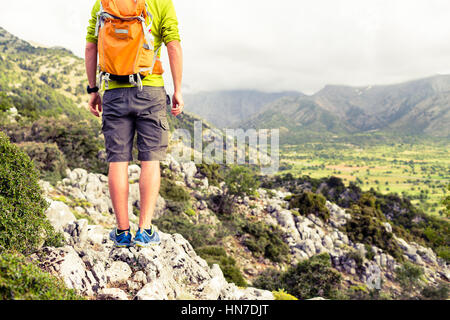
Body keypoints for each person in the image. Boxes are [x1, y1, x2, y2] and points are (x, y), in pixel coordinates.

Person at [85, 0, 184, 247]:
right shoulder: (161, 3)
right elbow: (173, 45)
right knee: (150, 160)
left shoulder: (104, 2)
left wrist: (93, 89)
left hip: (114, 92)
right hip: (150, 90)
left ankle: (121, 232)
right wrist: (178, 90)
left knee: (117, 161)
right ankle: (144, 230)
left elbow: (91, 47)